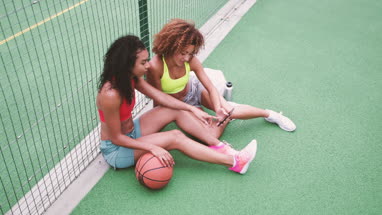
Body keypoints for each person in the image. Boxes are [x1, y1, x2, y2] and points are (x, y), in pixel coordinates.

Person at [96, 35, 257, 174]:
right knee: (176, 136)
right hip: (117, 149)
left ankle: (221, 147)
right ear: (128, 64)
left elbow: (160, 97)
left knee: (172, 108)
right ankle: (235, 162)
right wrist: (151, 147)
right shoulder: (110, 95)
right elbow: (116, 138)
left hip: (132, 132)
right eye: (143, 62)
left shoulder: (131, 78)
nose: (148, 65)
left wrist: (191, 108)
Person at [147, 19, 297, 140]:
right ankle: (226, 119)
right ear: (170, 44)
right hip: (178, 106)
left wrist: (218, 107)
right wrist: (157, 122)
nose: (186, 58)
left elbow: (210, 87)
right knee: (210, 137)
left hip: (194, 90)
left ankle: (270, 114)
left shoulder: (190, 61)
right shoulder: (155, 66)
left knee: (228, 109)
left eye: (190, 53)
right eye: (182, 53)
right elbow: (158, 99)